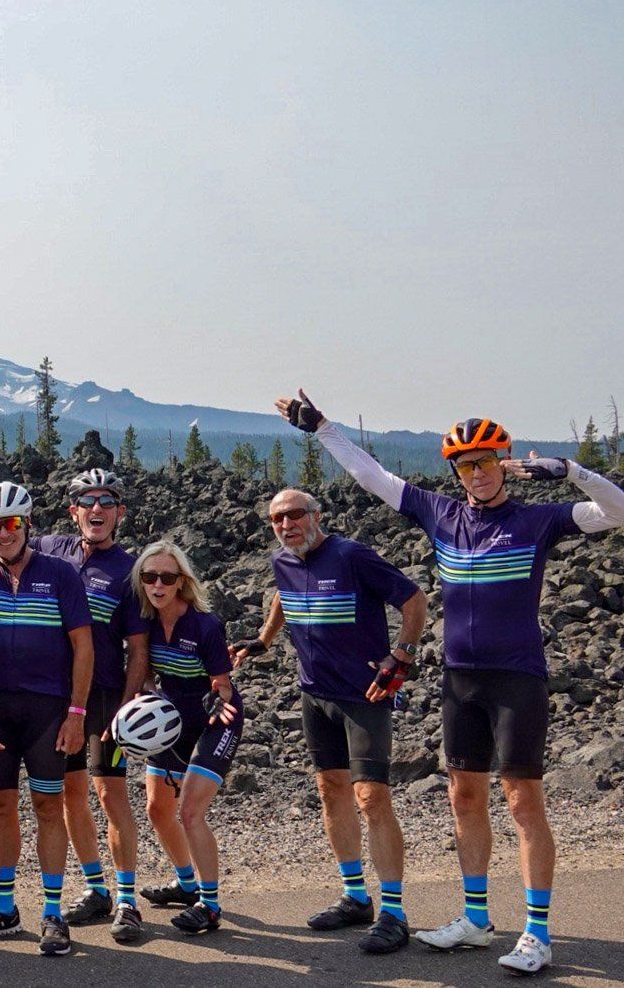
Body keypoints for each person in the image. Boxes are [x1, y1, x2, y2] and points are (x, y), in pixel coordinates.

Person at [277, 392, 624, 974]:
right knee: (463, 795)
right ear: (455, 473)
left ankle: (538, 931)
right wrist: (323, 429)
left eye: (486, 461)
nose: (477, 473)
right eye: (465, 465)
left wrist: (569, 471)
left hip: (517, 677)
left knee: (522, 800)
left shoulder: (537, 519)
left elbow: (617, 510)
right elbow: (374, 477)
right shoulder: (440, 513)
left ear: (506, 461)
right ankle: (477, 918)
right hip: (460, 678)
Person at [232, 488, 428, 953]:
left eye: (295, 515)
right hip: (314, 694)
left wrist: (401, 654)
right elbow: (283, 594)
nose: (286, 525)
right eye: (277, 519)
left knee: (372, 796)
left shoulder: (352, 555)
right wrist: (264, 638)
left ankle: (395, 912)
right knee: (330, 789)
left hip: (365, 694)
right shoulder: (284, 560)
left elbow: (414, 600)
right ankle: (355, 896)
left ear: (317, 516)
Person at [0, 452, 93, 957]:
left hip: (49, 710)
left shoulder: (60, 574)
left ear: (27, 524)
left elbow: (84, 646)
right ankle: (5, 908)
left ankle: (53, 915)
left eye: (10, 523)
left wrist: (77, 714)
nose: (1, 533)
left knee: (49, 805)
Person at [32, 468, 152, 942]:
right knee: (68, 794)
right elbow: (1, 537)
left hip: (103, 698)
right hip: (54, 697)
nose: (96, 509)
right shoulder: (49, 549)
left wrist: (126, 710)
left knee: (111, 793)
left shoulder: (130, 571)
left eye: (107, 501)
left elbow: (138, 650)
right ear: (73, 510)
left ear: (120, 512)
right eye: (87, 500)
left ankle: (126, 900)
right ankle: (95, 887)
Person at [133, 539, 243, 936]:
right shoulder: (144, 621)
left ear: (182, 581)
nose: (158, 584)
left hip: (216, 721)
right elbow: (144, 670)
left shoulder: (206, 625)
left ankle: (210, 905)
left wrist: (218, 699)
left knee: (190, 812)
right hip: (169, 720)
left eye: (167, 577)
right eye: (150, 576)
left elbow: (223, 686)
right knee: (156, 808)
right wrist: (147, 693)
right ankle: (186, 884)